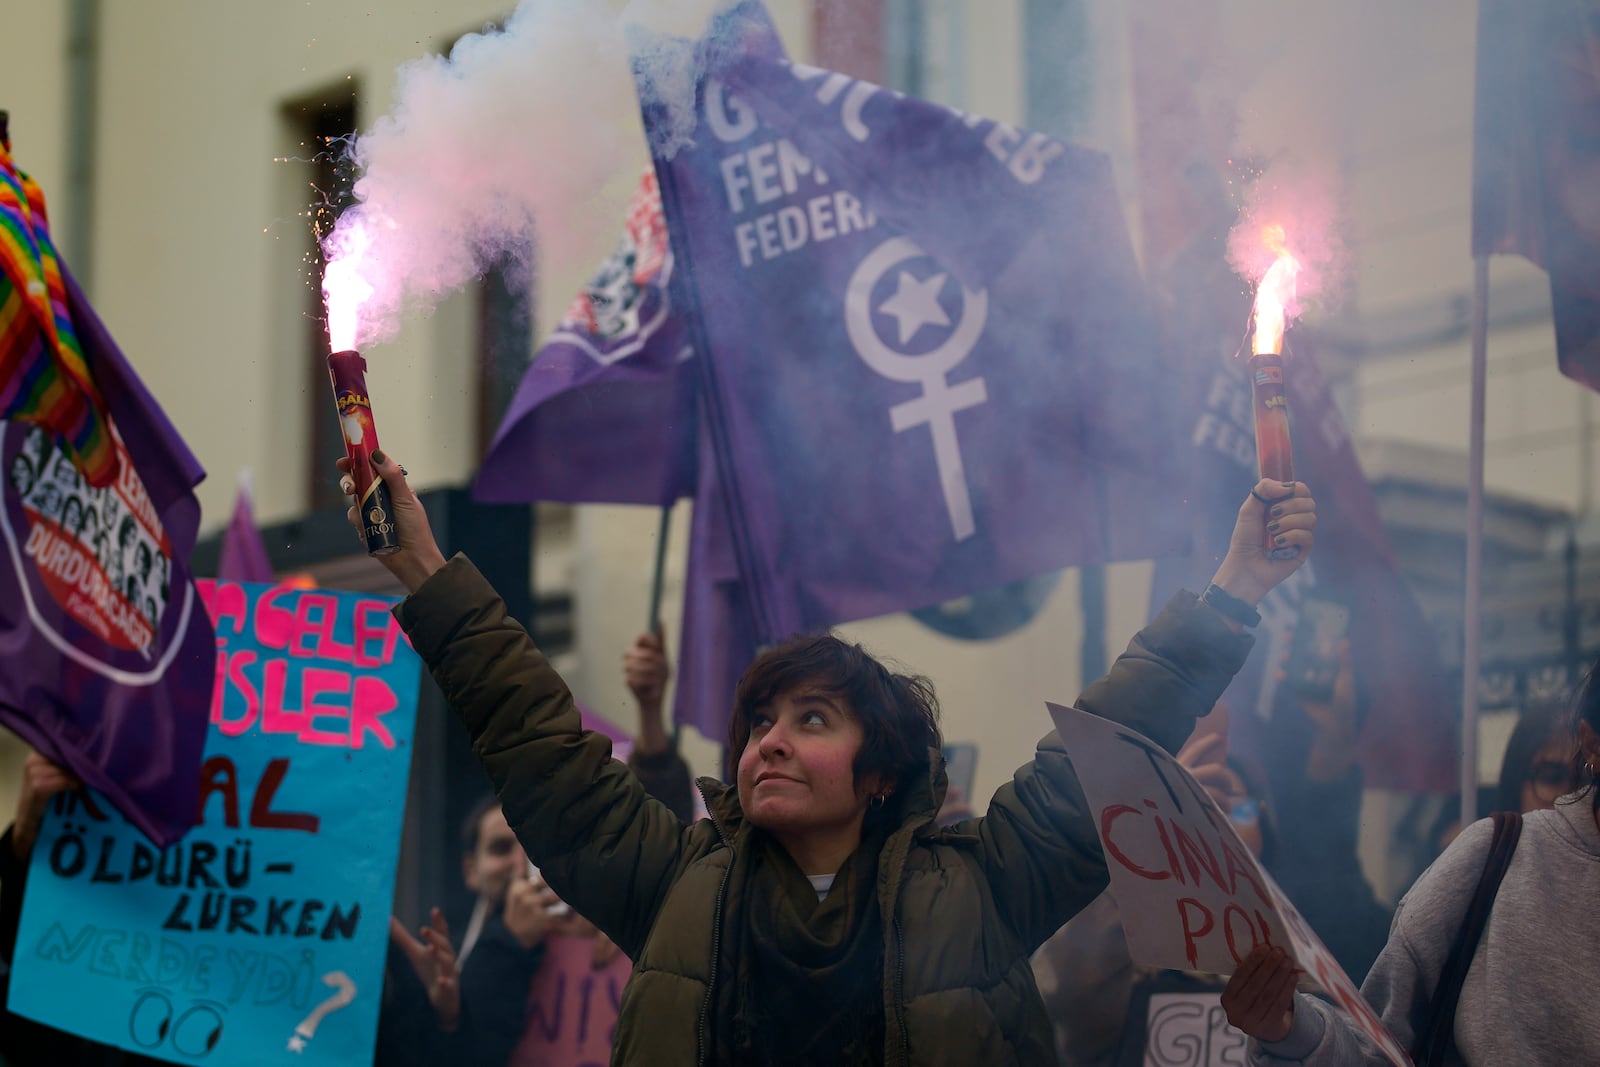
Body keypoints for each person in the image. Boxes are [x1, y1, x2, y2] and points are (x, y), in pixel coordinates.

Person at [341, 450, 1315, 1065]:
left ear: (880, 769)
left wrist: (1233, 588)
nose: (768, 738)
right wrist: (422, 568)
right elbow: (538, 739)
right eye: (761, 719)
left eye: (811, 719)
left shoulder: (985, 884)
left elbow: (1106, 742)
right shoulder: (672, 881)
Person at [1223, 664, 1600, 1065]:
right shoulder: (1494, 859)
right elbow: (1378, 1049)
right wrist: (1291, 1032)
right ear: (1591, 745)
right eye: (1549, 774)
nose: (1563, 788)